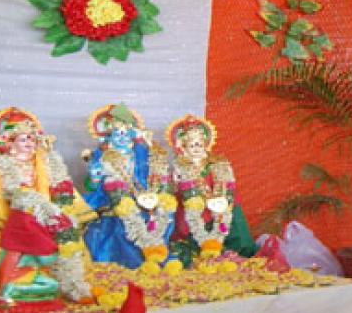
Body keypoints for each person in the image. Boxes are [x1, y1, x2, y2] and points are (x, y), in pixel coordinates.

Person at [0, 108, 95, 306]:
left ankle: (69, 284)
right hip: (12, 223)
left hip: (48, 218)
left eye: (32, 140)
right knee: (4, 250)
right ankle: (11, 283)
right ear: (10, 143)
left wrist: (57, 212)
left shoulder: (44, 163)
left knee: (68, 244)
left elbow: (62, 190)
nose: (30, 144)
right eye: (24, 140)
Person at [82, 104, 179, 272]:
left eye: (125, 133)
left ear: (132, 135)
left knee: (164, 210)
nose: (121, 137)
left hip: (141, 194)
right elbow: (92, 184)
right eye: (117, 133)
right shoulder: (102, 155)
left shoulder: (140, 154)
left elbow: (153, 175)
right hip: (112, 198)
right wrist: (95, 175)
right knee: (127, 216)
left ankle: (159, 254)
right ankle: (139, 261)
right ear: (109, 136)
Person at [167, 114, 255, 262]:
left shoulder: (218, 164)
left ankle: (229, 248)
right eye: (192, 145)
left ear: (206, 144)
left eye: (199, 144)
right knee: (187, 235)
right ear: (183, 147)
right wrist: (175, 184)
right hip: (192, 211)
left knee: (234, 224)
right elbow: (172, 191)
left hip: (219, 209)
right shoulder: (179, 167)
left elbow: (228, 187)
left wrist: (222, 199)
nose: (196, 148)